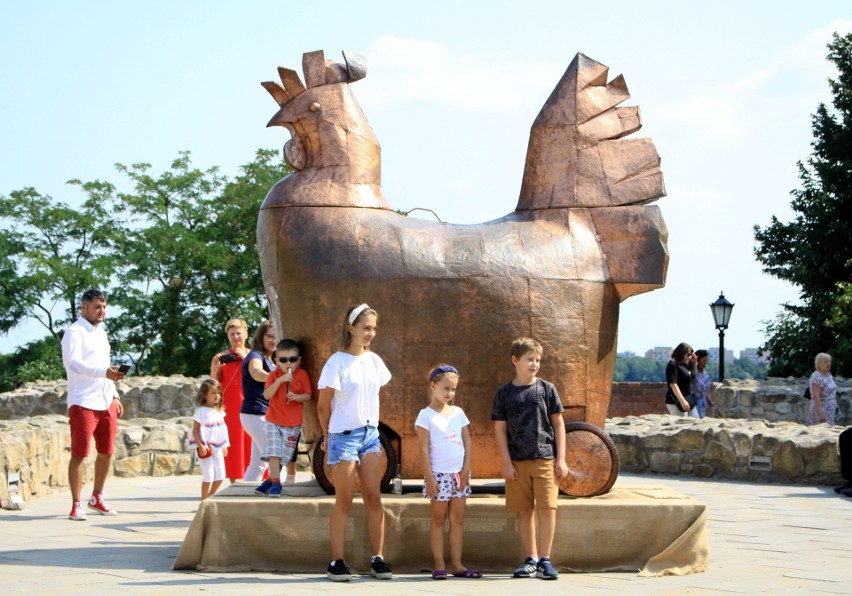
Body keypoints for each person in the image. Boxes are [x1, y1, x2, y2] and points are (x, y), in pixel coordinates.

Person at [317, 304, 393, 582]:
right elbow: (323, 405)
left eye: (373, 328)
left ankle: (378, 559)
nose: (371, 333)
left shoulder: (375, 361)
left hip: (370, 434)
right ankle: (336, 562)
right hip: (343, 437)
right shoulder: (336, 362)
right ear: (351, 328)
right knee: (344, 501)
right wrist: (328, 436)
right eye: (366, 328)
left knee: (374, 497)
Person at [491, 337, 567, 581]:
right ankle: (530, 558)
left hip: (545, 458)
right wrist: (505, 462)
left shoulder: (547, 389)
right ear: (515, 360)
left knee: (548, 509)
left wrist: (561, 458)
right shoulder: (504, 393)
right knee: (523, 511)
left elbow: (558, 424)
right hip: (517, 462)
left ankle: (545, 559)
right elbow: (500, 429)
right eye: (529, 359)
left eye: (538, 360)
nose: (534, 364)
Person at [60, 289, 126, 521]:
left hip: (105, 399)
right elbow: (75, 364)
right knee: (79, 453)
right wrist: (104, 373)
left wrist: (115, 394)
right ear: (84, 308)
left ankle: (97, 496)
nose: (102, 311)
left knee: (107, 452)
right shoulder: (74, 332)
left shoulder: (102, 333)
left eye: (104, 307)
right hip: (83, 401)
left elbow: (106, 365)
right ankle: (76, 504)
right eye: (97, 307)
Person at [416, 364, 480, 580]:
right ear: (433, 386)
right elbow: (424, 448)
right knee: (437, 518)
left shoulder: (458, 413)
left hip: (459, 475)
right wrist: (430, 477)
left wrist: (465, 471)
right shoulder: (425, 415)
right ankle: (439, 564)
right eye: (446, 389)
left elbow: (467, 442)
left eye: (453, 390)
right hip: (438, 475)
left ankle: (457, 564)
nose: (450, 394)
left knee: (458, 518)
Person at [254, 339, 312, 497]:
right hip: (274, 420)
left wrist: (296, 397)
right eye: (284, 360)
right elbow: (267, 394)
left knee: (284, 456)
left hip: (293, 423)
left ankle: (270, 481)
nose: (288, 363)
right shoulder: (273, 375)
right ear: (276, 360)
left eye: (293, 360)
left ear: (299, 360)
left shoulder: (302, 375)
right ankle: (276, 484)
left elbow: (308, 396)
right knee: (274, 452)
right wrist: (279, 381)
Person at [209, 318, 251, 483]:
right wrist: (215, 368)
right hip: (230, 404)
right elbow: (214, 384)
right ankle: (234, 479)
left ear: (246, 334)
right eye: (232, 334)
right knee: (232, 440)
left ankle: (255, 477)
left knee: (250, 439)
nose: (235, 337)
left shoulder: (253, 355)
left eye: (238, 333)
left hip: (249, 400)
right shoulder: (222, 357)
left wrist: (244, 358)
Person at [241, 320, 277, 482]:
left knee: (258, 465)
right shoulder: (256, 355)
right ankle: (281, 500)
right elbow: (256, 371)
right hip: (257, 414)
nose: (274, 340)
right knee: (277, 459)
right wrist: (276, 378)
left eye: (277, 336)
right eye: (270, 336)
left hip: (261, 415)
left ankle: (245, 501)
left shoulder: (272, 358)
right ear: (261, 336)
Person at [190, 379, 230, 500]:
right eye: (213, 393)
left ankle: (210, 497)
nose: (217, 395)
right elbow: (195, 430)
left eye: (218, 392)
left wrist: (225, 445)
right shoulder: (200, 411)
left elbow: (222, 429)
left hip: (218, 448)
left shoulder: (219, 411)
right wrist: (201, 445)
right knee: (209, 476)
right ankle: (203, 501)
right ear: (204, 395)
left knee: (221, 476)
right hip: (205, 448)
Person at [665, 342, 699, 418]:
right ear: (682, 353)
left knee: (696, 419)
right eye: (688, 354)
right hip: (676, 401)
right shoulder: (673, 364)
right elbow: (673, 384)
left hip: (688, 398)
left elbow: (693, 376)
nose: (689, 357)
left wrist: (694, 363)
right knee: (682, 423)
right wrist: (682, 401)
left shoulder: (684, 365)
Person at [807, 353, 838, 426]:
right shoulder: (817, 377)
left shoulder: (828, 374)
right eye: (826, 362)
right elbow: (816, 396)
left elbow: (832, 391)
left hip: (830, 409)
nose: (828, 363)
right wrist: (821, 413)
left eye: (829, 361)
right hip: (821, 409)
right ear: (819, 364)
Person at [693, 349, 714, 418]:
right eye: (704, 360)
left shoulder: (704, 373)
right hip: (694, 406)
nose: (706, 362)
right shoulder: (692, 373)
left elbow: (705, 390)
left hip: (704, 406)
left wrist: (709, 400)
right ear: (698, 360)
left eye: (706, 360)